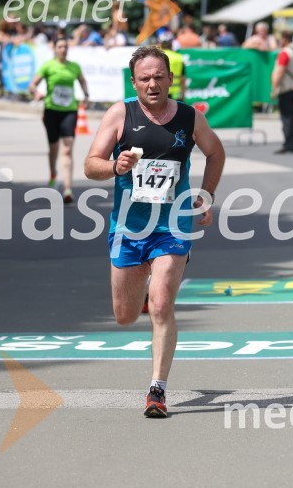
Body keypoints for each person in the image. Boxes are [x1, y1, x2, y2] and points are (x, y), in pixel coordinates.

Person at [83, 46, 225, 418]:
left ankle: (157, 390)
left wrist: (206, 195)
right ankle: (145, 281)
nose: (152, 84)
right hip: (129, 227)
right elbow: (90, 165)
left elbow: (216, 152)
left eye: (159, 77)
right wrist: (115, 166)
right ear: (134, 82)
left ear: (170, 79)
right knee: (126, 316)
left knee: (161, 304)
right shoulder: (121, 114)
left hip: (173, 225)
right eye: (144, 78)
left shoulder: (190, 118)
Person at [28, 37, 90, 203]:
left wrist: (86, 95)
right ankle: (53, 174)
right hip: (51, 111)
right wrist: (36, 93)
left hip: (70, 110)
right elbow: (32, 84)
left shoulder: (74, 66)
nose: (63, 49)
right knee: (54, 149)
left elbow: (82, 81)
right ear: (54, 48)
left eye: (65, 47)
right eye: (60, 46)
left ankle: (68, 188)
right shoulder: (48, 66)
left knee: (67, 149)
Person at [271, 30, 293, 154]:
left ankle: (289, 144)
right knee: (290, 117)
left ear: (284, 38)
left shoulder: (285, 53)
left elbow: (280, 71)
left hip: (286, 88)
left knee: (286, 118)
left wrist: (274, 88)